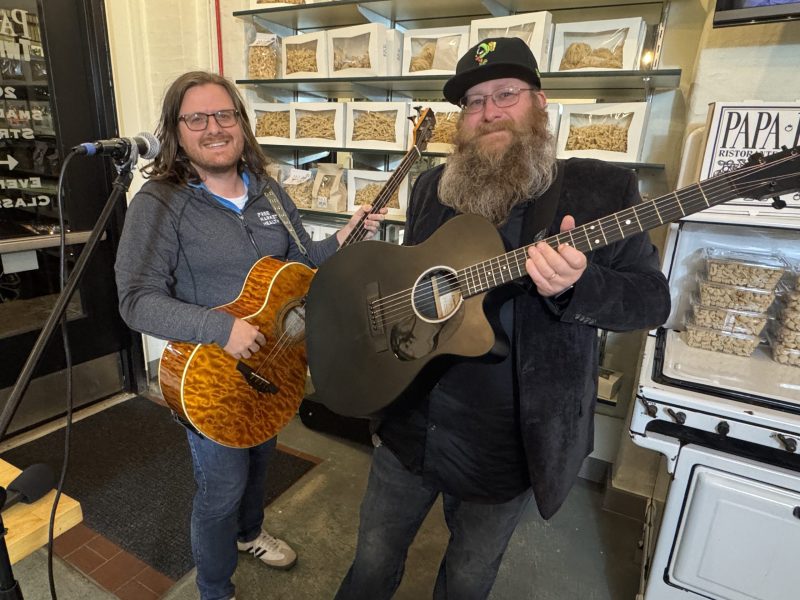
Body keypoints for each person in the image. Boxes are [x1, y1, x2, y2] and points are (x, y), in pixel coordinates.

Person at [334, 37, 671, 600]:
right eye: (473, 102)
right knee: (372, 556)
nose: (489, 111)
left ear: (538, 104)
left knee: (468, 576)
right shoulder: (430, 188)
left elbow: (650, 301)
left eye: (506, 94)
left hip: (508, 443)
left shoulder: (599, 189)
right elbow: (412, 281)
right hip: (412, 423)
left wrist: (578, 284)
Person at [114, 71, 385, 600]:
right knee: (221, 488)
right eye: (196, 118)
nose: (213, 128)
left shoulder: (270, 192)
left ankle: (249, 533)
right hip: (209, 376)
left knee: (262, 459)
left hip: (274, 360)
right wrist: (219, 328)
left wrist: (343, 240)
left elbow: (300, 270)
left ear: (241, 123)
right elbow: (135, 300)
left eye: (224, 115)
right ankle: (215, 589)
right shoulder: (160, 202)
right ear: (176, 130)